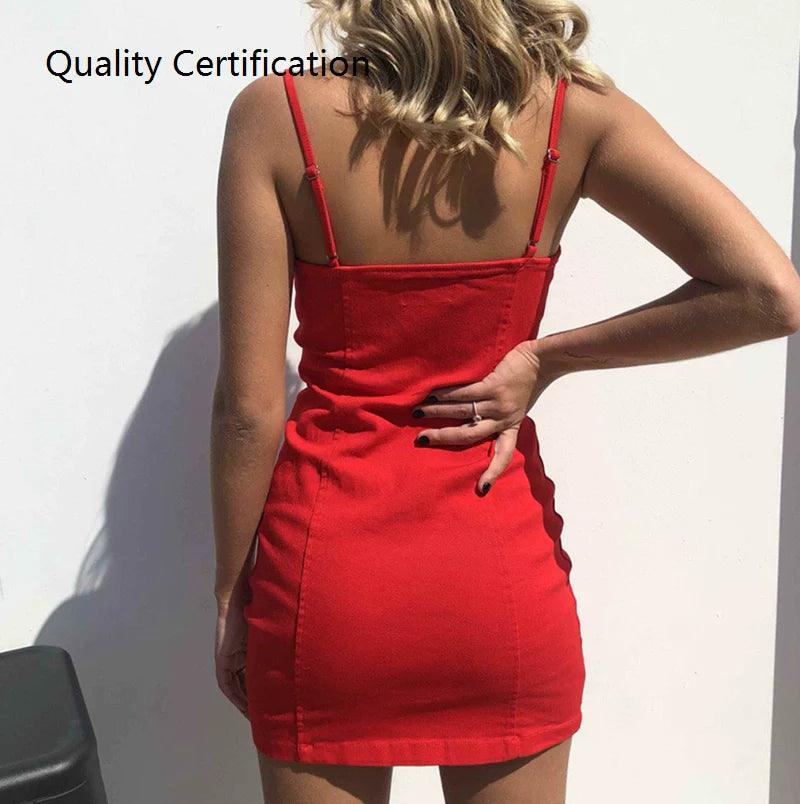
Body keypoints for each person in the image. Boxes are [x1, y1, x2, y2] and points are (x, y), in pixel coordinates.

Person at [210, 2, 800, 802]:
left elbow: (248, 410)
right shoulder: (574, 113)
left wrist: (230, 590)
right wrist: (546, 359)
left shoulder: (275, 115)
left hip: (331, 581)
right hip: (497, 574)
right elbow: (768, 294)